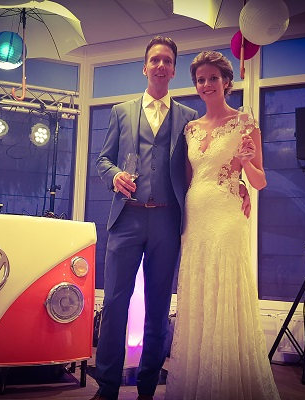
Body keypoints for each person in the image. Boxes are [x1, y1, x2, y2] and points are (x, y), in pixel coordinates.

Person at [92, 38, 250, 400]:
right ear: (145, 67)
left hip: (168, 221)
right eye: (154, 60)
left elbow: (208, 162)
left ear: (174, 69)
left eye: (167, 60)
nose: (161, 65)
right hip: (126, 219)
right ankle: (107, 387)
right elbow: (103, 160)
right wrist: (114, 176)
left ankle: (147, 387)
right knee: (114, 304)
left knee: (159, 307)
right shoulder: (121, 112)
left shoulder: (189, 119)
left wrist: (238, 184)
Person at [164, 50, 280, 400]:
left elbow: (260, 182)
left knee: (225, 286)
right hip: (195, 218)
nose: (206, 84)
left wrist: (246, 166)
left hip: (227, 216)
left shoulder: (245, 124)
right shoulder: (190, 128)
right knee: (199, 291)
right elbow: (187, 180)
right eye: (200, 79)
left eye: (213, 78)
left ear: (227, 82)